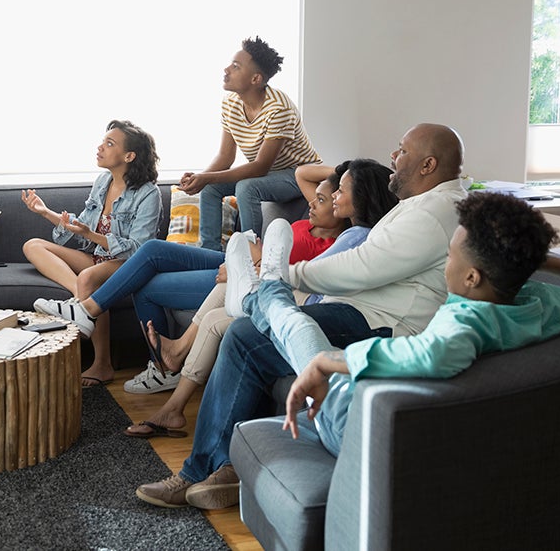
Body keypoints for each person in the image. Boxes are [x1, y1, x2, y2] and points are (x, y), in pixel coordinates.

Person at [134, 122, 467, 509]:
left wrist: (284, 275)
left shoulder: (435, 213)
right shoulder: (426, 204)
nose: (393, 156)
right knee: (247, 334)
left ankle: (200, 470)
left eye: (402, 150)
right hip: (365, 312)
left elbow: (363, 267)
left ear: (428, 164)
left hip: (386, 327)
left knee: (246, 336)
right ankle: (222, 468)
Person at [277, 193, 560, 466]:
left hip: (357, 422)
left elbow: (434, 354)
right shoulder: (550, 303)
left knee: (296, 328)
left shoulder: (470, 318)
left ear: (472, 277)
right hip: (385, 411)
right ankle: (265, 291)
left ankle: (265, 289)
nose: (445, 265)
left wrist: (330, 362)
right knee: (295, 326)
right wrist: (544, 260)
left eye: (451, 257)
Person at [123, 158, 397, 438]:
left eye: (338, 193)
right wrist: (346, 172)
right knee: (210, 286)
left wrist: (262, 267)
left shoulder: (352, 237)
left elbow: (315, 277)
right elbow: (303, 175)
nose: (321, 201)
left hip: (303, 300)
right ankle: (179, 370)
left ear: (361, 197)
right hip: (281, 281)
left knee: (217, 317)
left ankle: (176, 389)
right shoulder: (340, 230)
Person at [35, 168, 351, 395]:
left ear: (344, 209)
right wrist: (344, 173)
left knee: (145, 285)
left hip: (246, 275)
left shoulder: (339, 242)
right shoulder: (308, 223)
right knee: (153, 250)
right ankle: (90, 309)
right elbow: (304, 174)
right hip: (235, 256)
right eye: (321, 196)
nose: (314, 202)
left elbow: (297, 277)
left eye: (326, 200)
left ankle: (160, 365)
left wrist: (250, 267)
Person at [22, 120, 161, 386]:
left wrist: (90, 235)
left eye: (110, 144)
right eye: (103, 141)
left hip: (129, 263)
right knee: (33, 245)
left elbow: (141, 249)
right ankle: (80, 302)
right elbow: (82, 224)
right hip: (99, 257)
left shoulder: (148, 193)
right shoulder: (103, 181)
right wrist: (45, 212)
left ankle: (102, 364)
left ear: (129, 156)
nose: (100, 147)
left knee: (89, 278)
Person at [180, 37, 321, 251]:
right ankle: (208, 253)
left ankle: (249, 251)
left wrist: (205, 177)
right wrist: (199, 179)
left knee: (247, 187)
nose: (226, 69)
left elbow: (260, 167)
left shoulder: (278, 109)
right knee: (209, 188)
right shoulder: (231, 102)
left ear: (255, 79)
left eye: (236, 67)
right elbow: (225, 157)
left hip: (299, 173)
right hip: (270, 174)